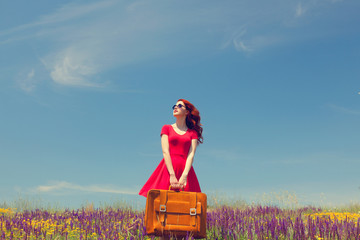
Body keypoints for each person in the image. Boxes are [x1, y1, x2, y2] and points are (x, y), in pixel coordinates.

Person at [138, 99, 203, 239]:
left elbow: (191, 155)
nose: (176, 108)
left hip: (185, 170)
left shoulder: (192, 133)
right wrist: (172, 175)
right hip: (168, 169)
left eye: (180, 106)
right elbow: (165, 152)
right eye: (175, 106)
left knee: (185, 211)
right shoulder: (166, 128)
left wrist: (184, 176)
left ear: (186, 112)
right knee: (164, 211)